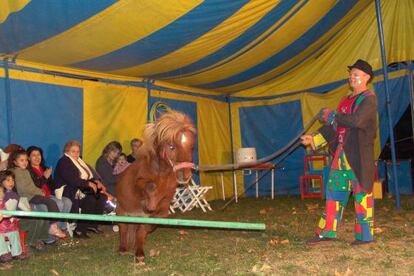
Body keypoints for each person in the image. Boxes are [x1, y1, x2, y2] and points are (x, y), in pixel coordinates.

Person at [301, 59, 378, 245]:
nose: (352, 77)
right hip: (341, 157)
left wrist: (333, 116)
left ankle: (364, 237)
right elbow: (336, 127)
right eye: (351, 74)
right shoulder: (345, 101)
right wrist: (315, 138)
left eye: (356, 74)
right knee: (333, 195)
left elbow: (356, 121)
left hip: (359, 158)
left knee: (362, 196)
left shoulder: (369, 99)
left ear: (366, 77)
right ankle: (326, 232)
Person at [54, 140, 107, 239]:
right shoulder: (64, 161)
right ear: (67, 151)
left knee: (102, 197)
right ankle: (79, 229)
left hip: (80, 187)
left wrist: (96, 182)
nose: (76, 153)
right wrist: (88, 183)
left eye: (78, 151)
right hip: (69, 190)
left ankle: (92, 225)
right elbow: (72, 180)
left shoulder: (79, 161)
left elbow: (87, 176)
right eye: (73, 151)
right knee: (90, 199)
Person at [9, 150, 67, 239]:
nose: (25, 162)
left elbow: (31, 186)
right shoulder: (17, 172)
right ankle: (52, 226)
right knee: (50, 202)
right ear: (15, 162)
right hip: (27, 197)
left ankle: (55, 226)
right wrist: (40, 191)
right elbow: (23, 188)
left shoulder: (24, 171)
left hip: (31, 195)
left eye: (26, 160)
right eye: (21, 160)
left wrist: (39, 191)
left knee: (52, 201)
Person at [27, 146, 72, 234]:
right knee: (59, 203)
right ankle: (54, 232)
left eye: (38, 155)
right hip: (38, 197)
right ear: (28, 158)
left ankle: (62, 228)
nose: (37, 157)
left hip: (49, 195)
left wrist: (58, 190)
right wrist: (44, 177)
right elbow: (34, 187)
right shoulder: (28, 171)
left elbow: (51, 186)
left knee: (67, 201)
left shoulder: (45, 168)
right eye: (34, 155)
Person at [0, 185, 23, 262]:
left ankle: (16, 253)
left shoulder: (6, 203)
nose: (1, 194)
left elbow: (11, 212)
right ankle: (3, 254)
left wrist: (14, 218)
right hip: (0, 229)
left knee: (14, 232)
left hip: (9, 227)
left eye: (2, 192)